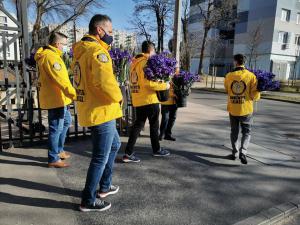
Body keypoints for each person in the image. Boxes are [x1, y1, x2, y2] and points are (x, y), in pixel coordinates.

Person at [73, 14, 123, 212]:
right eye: (110, 32)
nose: (111, 36)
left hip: (94, 109)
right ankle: (88, 199)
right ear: (100, 31)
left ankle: (104, 186)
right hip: (101, 110)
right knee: (99, 157)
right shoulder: (97, 52)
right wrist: (119, 96)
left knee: (115, 144)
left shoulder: (81, 52)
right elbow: (104, 82)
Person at [122, 41, 170, 163]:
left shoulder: (134, 63)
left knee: (137, 126)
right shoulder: (146, 62)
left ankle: (128, 152)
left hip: (138, 99)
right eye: (154, 51)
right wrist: (165, 85)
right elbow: (148, 83)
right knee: (154, 126)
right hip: (149, 99)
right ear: (150, 50)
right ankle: (156, 149)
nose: (155, 54)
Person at [35, 32, 76, 168]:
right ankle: (53, 158)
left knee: (65, 122)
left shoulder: (52, 56)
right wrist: (73, 94)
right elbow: (61, 80)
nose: (65, 47)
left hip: (59, 98)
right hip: (56, 99)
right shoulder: (51, 57)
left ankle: (58, 150)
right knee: (56, 128)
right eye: (64, 44)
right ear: (58, 44)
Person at [224, 54, 261, 164]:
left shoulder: (229, 76)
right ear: (244, 62)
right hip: (246, 109)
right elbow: (255, 96)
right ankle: (243, 152)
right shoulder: (251, 76)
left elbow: (227, 90)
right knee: (247, 132)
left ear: (235, 62)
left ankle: (234, 153)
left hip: (233, 108)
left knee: (234, 132)